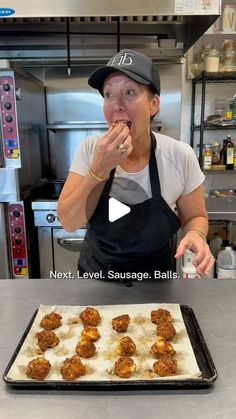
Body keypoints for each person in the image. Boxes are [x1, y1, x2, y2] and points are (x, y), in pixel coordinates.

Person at [57, 49, 214, 280]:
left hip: (156, 283)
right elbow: (69, 222)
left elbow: (195, 217)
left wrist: (197, 234)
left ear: (154, 104)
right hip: (96, 279)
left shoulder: (179, 156)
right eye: (108, 94)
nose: (116, 105)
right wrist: (99, 169)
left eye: (129, 92)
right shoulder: (90, 149)